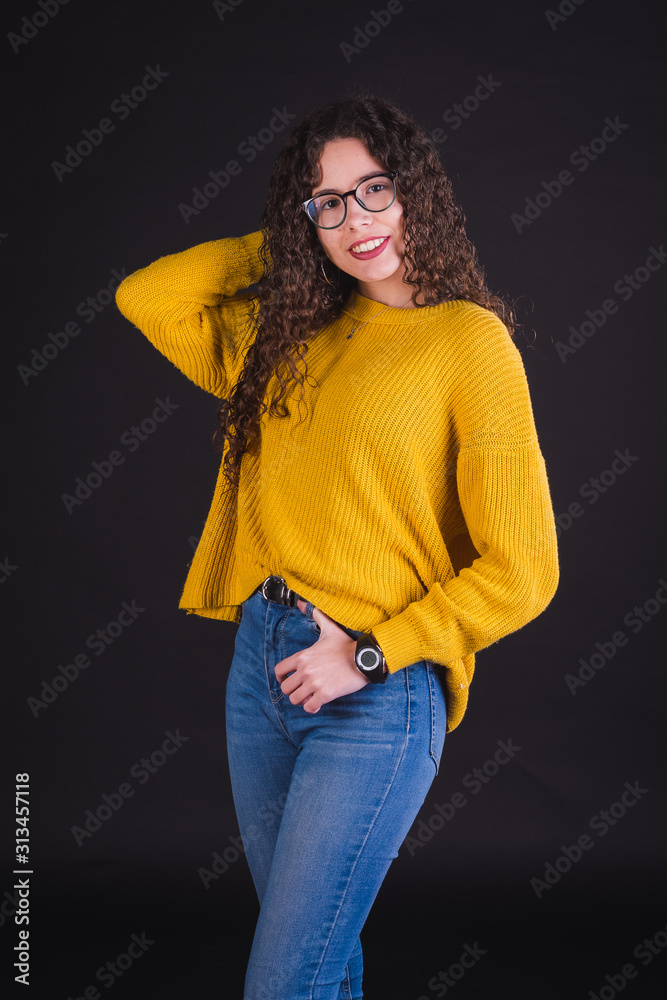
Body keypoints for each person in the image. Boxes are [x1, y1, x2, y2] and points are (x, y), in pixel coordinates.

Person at [115, 93, 559, 1000]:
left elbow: (525, 569)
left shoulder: (467, 344)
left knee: (286, 980)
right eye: (326, 202)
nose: (356, 221)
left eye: (374, 191)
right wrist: (288, 238)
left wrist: (368, 653)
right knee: (323, 961)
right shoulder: (288, 339)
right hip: (262, 670)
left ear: (417, 197)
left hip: (375, 691)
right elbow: (145, 296)